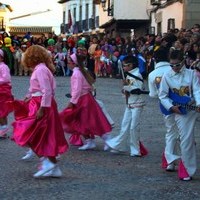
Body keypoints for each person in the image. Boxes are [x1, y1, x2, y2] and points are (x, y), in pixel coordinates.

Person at [11, 45, 68, 178]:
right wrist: (29, 95)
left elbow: (46, 90)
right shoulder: (42, 69)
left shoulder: (40, 70)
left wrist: (42, 107)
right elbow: (39, 88)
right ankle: (52, 165)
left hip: (41, 104)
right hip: (40, 102)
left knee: (32, 134)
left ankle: (47, 162)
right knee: (43, 134)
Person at [159, 50, 200, 181]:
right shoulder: (166, 75)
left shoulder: (192, 74)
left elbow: (198, 90)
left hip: (191, 108)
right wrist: (171, 107)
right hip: (177, 109)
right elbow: (162, 95)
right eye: (171, 65)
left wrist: (199, 103)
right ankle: (180, 165)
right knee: (179, 136)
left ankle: (184, 166)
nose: (174, 67)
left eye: (177, 64)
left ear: (183, 61)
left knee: (186, 138)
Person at [59, 47, 112, 151]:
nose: (68, 64)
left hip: (82, 99)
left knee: (90, 121)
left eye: (69, 62)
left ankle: (107, 140)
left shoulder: (77, 73)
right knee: (83, 121)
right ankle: (90, 141)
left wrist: (72, 102)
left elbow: (77, 90)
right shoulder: (81, 71)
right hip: (84, 98)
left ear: (74, 63)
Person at [105, 55, 148, 157]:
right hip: (129, 103)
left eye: (125, 65)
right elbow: (128, 91)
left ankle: (135, 150)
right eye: (123, 65)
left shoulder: (137, 75)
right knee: (125, 126)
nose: (123, 68)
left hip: (137, 104)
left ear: (131, 65)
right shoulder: (129, 75)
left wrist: (126, 86)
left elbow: (137, 90)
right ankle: (119, 145)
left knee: (133, 127)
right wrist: (124, 89)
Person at [148, 47, 180, 171]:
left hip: (167, 106)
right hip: (183, 104)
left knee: (171, 132)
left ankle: (171, 161)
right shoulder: (175, 69)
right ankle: (181, 160)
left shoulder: (152, 74)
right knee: (183, 134)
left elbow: (153, 94)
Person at [0, 49, 13, 137]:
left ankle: (4, 128)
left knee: (1, 111)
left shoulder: (3, 67)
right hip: (2, 90)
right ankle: (3, 128)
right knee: (2, 111)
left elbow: (6, 79)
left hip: (3, 90)